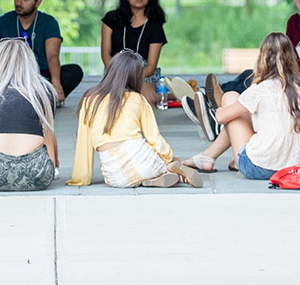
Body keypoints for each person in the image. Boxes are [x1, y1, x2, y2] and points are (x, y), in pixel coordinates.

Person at [181, 32, 300, 178]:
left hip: (260, 168)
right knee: (243, 112)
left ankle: (216, 146)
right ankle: (207, 157)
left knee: (230, 98)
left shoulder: (260, 89)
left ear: (262, 58)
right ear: (291, 57)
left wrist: (220, 109)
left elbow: (221, 117)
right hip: (296, 167)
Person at [68, 51, 201, 189]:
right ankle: (170, 172)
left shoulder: (90, 100)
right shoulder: (139, 100)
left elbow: (83, 143)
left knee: (144, 169)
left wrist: (81, 178)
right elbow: (154, 139)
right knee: (167, 161)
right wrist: (169, 158)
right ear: (136, 77)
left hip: (115, 176)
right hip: (144, 162)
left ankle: (156, 178)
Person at [0, 38, 59, 192]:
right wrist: (53, 164)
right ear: (29, 62)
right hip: (37, 176)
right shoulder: (43, 91)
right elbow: (48, 135)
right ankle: (54, 166)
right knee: (47, 129)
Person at [100, 0, 168, 105]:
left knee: (149, 98)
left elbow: (151, 66)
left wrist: (132, 79)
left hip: (143, 74)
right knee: (108, 99)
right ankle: (166, 91)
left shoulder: (155, 25)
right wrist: (119, 76)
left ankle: (169, 95)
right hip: (115, 72)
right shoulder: (111, 19)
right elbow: (105, 56)